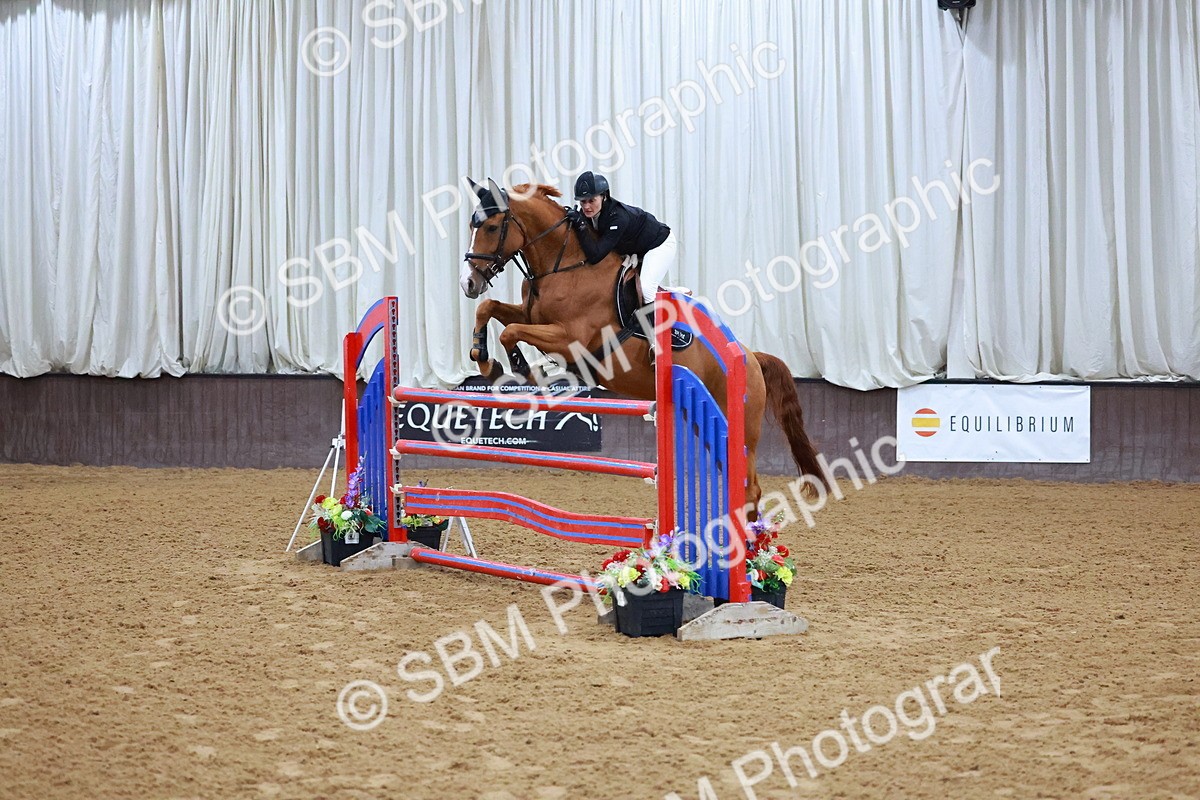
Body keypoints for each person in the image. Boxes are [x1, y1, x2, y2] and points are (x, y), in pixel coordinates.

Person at [566, 171, 679, 304]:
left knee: (647, 289)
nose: (586, 206)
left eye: (592, 200)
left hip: (660, 244)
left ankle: (650, 324)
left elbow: (595, 256)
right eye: (583, 201)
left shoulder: (618, 218)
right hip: (636, 246)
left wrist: (581, 225)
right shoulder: (590, 214)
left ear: (604, 197)